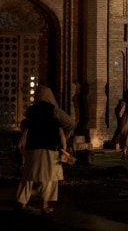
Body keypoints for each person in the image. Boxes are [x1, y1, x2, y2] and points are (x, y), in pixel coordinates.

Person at [15, 85, 75, 215]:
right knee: (50, 178)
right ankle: (44, 204)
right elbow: (70, 123)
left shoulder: (30, 110)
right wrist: (65, 134)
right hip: (50, 149)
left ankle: (22, 202)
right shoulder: (54, 110)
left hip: (32, 148)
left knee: (28, 176)